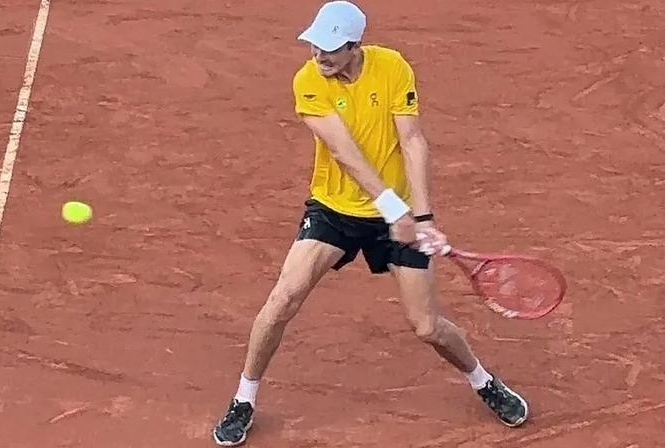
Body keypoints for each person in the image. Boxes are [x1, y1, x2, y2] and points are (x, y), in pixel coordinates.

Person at [212, 2, 529, 446]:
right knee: (283, 299)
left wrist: (421, 216)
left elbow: (413, 140)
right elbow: (345, 153)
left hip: (397, 215)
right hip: (335, 210)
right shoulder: (308, 81)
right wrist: (393, 209)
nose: (318, 56)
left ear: (354, 46)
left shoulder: (392, 67)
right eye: (315, 46)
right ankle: (244, 398)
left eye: (329, 49)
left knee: (428, 327)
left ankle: (482, 381)